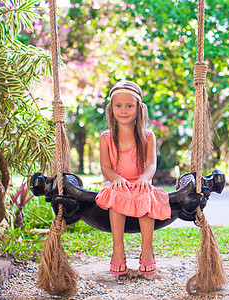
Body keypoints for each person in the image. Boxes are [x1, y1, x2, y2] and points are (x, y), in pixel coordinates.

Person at [95, 80, 171, 276]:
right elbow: (105, 166)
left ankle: (147, 251)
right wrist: (115, 178)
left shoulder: (147, 137)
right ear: (111, 109)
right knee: (117, 196)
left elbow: (151, 164)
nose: (123, 110)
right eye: (118, 106)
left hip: (140, 183)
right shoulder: (106, 138)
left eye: (129, 106)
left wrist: (145, 179)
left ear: (139, 108)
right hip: (118, 184)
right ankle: (118, 251)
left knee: (145, 196)